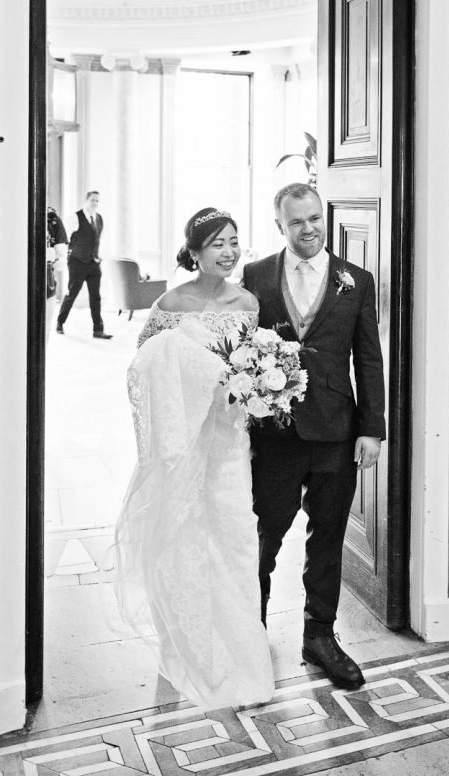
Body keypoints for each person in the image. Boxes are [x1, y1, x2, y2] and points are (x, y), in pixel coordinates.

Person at [113, 207, 275, 710]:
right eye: (218, 244)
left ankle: (242, 650)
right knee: (186, 533)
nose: (229, 252)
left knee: (235, 538)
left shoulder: (247, 301)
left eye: (234, 242)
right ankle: (189, 639)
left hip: (229, 443)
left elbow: (254, 360)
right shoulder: (171, 302)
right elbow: (144, 366)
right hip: (187, 442)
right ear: (196, 251)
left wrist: (257, 389)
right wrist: (194, 380)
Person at [242, 182, 385, 691]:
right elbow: (238, 351)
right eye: (297, 222)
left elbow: (369, 358)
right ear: (279, 226)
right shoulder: (256, 276)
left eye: (315, 218)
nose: (310, 229)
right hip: (275, 434)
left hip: (335, 432)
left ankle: (319, 635)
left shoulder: (357, 280)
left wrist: (372, 429)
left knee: (327, 537)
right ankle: (248, 632)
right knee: (264, 534)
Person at [56, 190, 113, 339]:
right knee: (72, 293)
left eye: (97, 201)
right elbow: (65, 239)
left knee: (96, 296)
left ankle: (98, 330)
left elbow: (98, 240)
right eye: (92, 200)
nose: (95, 203)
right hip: (77, 262)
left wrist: (100, 256)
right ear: (86, 200)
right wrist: (68, 256)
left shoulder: (99, 218)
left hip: (94, 263)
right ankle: (59, 323)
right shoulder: (75, 217)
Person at [46, 206, 68, 337]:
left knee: (45, 326)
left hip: (47, 282)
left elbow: (61, 254)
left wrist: (51, 253)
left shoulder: (52, 219)